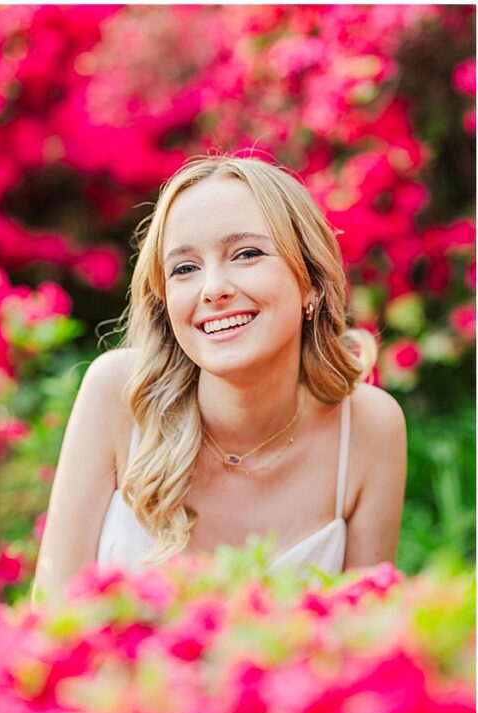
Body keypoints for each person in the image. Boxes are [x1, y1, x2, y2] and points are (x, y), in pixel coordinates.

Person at [33, 156, 407, 603]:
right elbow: (51, 619)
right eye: (184, 268)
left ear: (310, 281)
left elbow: (371, 643)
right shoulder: (117, 394)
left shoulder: (368, 428)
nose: (213, 288)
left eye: (246, 254)